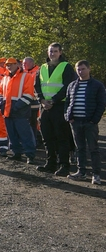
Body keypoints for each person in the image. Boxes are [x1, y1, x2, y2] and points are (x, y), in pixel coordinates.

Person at [35, 43, 76, 176]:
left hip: (59, 106)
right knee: (47, 136)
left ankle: (64, 165)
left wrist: (53, 100)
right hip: (45, 107)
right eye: (50, 51)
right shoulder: (42, 67)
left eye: (55, 51)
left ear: (60, 52)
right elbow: (36, 86)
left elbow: (68, 87)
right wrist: (41, 100)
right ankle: (50, 163)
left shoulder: (66, 67)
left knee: (61, 137)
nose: (52, 53)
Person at [64, 60, 106, 185]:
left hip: (90, 122)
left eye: (83, 69)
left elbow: (101, 104)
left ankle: (96, 174)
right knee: (79, 148)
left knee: (93, 149)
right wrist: (68, 116)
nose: (80, 72)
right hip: (75, 122)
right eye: (78, 69)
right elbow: (67, 103)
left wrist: (94, 120)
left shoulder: (97, 85)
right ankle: (81, 172)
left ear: (89, 69)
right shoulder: (72, 85)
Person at [0, 57, 37, 164]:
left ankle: (30, 154)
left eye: (11, 64)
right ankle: (16, 153)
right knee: (12, 134)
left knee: (25, 134)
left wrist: (16, 107)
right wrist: (0, 104)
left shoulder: (26, 76)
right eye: (7, 64)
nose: (9, 66)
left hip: (20, 111)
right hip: (8, 110)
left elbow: (29, 95)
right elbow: (0, 92)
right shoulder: (5, 77)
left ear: (17, 65)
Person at [22, 57, 42, 146]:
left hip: (35, 103)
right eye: (23, 64)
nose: (23, 65)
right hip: (25, 102)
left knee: (34, 123)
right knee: (27, 123)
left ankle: (35, 140)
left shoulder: (38, 72)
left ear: (31, 63)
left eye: (25, 63)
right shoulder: (23, 73)